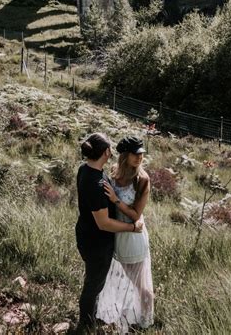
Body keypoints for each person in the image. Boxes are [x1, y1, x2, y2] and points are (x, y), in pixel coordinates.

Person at [75, 132, 143, 335]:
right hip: (97, 242)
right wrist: (132, 227)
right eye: (110, 148)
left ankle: (89, 317)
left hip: (86, 235)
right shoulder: (95, 183)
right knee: (94, 284)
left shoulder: (85, 170)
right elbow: (104, 223)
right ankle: (86, 326)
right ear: (105, 152)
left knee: (94, 279)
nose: (112, 151)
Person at [96, 136, 154, 333]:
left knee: (141, 284)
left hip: (134, 235)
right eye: (135, 154)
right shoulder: (114, 173)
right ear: (124, 155)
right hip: (117, 234)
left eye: (142, 153)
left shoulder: (142, 180)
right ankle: (129, 314)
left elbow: (136, 215)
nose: (140, 157)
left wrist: (115, 200)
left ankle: (145, 323)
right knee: (124, 279)